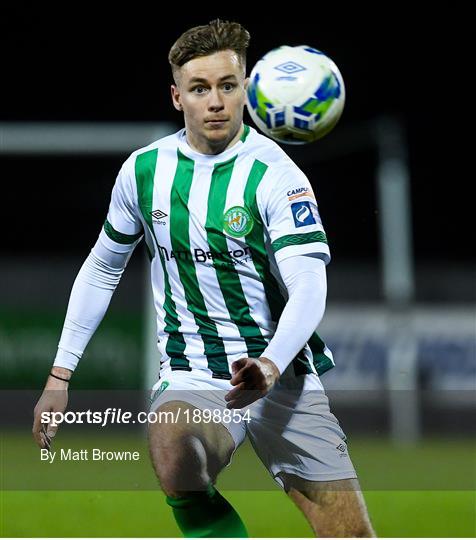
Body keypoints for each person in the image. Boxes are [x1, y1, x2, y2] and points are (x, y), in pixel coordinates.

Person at [33, 19, 376, 538]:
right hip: (193, 374)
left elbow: (309, 285)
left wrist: (271, 363)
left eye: (227, 86)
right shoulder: (144, 172)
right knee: (171, 443)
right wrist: (60, 376)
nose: (214, 102)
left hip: (280, 374)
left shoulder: (277, 175)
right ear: (177, 97)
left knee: (350, 536)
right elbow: (103, 267)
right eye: (199, 89)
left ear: (245, 91)